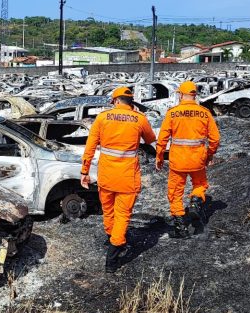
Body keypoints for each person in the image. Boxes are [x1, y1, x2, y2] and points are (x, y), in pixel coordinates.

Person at [80, 86, 156, 273]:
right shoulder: (139, 118)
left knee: (108, 209)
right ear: (131, 102)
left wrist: (85, 171)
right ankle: (113, 255)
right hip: (127, 177)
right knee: (122, 215)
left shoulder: (102, 117)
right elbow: (150, 139)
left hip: (106, 175)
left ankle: (110, 236)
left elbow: (90, 146)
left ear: (115, 101)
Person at [155, 80, 220, 238]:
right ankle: (195, 201)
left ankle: (180, 228)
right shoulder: (204, 112)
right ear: (194, 95)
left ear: (180, 95)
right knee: (200, 184)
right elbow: (215, 139)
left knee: (175, 193)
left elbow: (162, 138)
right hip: (198, 159)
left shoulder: (172, 112)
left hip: (178, 160)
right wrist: (209, 154)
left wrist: (159, 156)